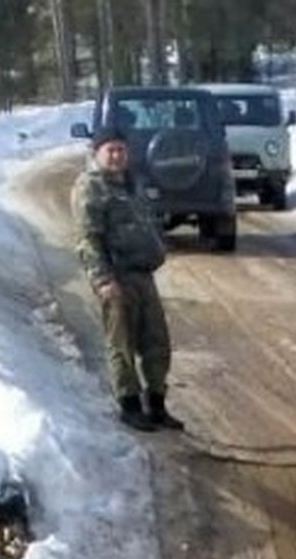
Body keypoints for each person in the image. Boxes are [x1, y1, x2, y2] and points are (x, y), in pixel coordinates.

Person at [71, 127, 179, 432]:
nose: (117, 156)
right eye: (111, 150)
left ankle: (156, 404)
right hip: (116, 277)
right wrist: (103, 279)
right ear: (97, 153)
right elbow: (87, 239)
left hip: (143, 276)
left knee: (156, 341)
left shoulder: (131, 184)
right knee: (122, 344)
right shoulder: (91, 187)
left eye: (121, 149)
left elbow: (149, 221)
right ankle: (130, 405)